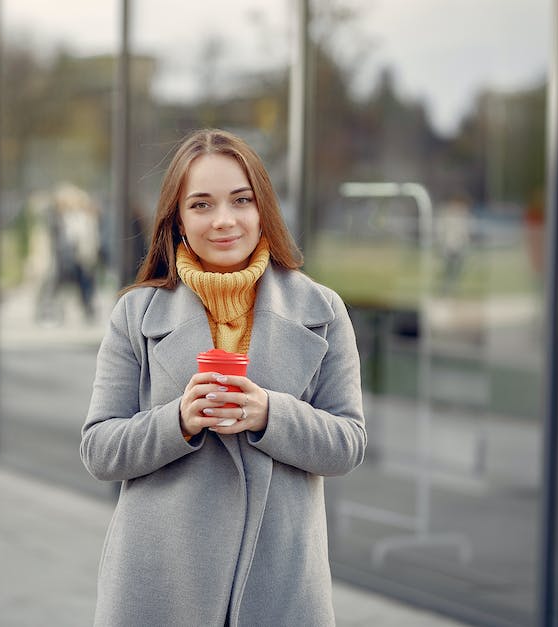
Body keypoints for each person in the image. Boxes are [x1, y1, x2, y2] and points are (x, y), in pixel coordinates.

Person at [80, 129, 366, 626]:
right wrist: (178, 422)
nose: (224, 220)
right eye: (202, 205)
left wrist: (270, 414)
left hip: (279, 586)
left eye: (241, 200)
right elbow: (99, 450)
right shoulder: (135, 314)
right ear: (178, 220)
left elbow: (348, 444)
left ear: (263, 210)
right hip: (160, 587)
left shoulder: (323, 310)